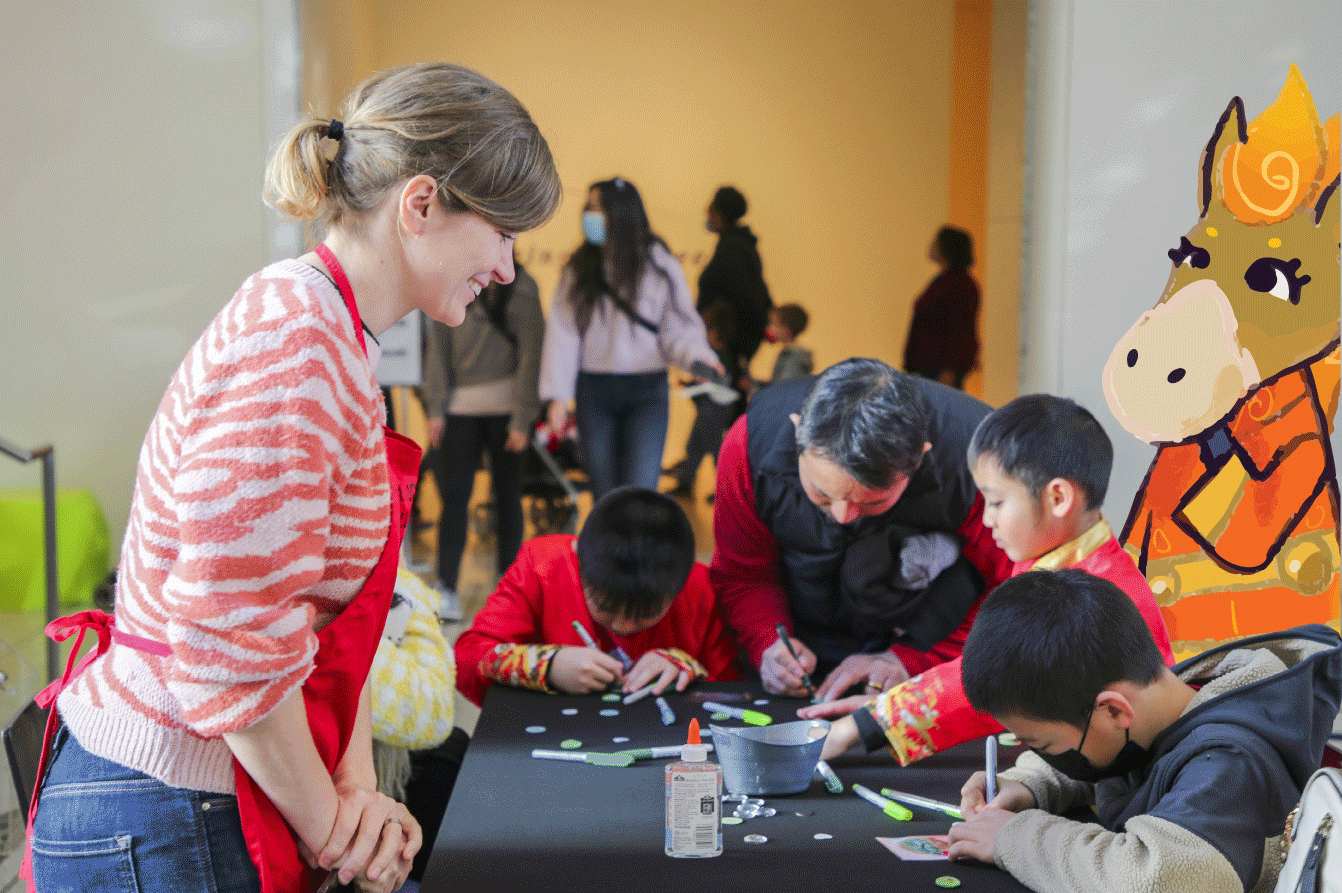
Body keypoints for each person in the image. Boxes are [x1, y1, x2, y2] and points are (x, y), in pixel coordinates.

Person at [26, 62, 560, 893]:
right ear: (420, 205)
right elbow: (228, 644)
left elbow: (314, 621)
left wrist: (354, 791)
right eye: (502, 233)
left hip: (204, 792)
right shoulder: (299, 340)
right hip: (165, 807)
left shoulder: (337, 337)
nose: (507, 268)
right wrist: (339, 832)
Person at [804, 394, 1175, 764]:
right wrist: (880, 709)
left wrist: (866, 725)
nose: (986, 520)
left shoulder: (1094, 596)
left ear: (1058, 498)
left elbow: (991, 675)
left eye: (996, 503)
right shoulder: (1057, 563)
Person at [946, 568, 1342, 893]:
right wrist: (1031, 784)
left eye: (1043, 744)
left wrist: (1015, 838)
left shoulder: (1230, 762)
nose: (1041, 753)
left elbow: (1157, 878)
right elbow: (1123, 760)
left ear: (1115, 710)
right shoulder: (1165, 703)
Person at [710, 357, 1014, 700]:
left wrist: (916, 660)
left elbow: (1016, 588)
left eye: (870, 502)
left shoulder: (979, 460)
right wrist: (767, 642)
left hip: (935, 645)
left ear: (921, 458)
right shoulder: (749, 446)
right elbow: (743, 572)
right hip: (803, 647)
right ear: (798, 432)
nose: (843, 515)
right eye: (822, 494)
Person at [454, 486, 741, 706]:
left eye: (646, 615)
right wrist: (547, 665)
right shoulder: (542, 566)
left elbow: (737, 693)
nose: (622, 627)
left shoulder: (700, 586)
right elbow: (467, 658)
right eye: (604, 607)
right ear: (578, 560)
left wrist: (687, 669)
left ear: (681, 585)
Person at [540, 177, 722, 500]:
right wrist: (557, 396)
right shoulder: (580, 267)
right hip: (594, 391)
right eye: (588, 208)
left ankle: (637, 551)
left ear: (620, 213)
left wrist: (697, 358)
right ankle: (606, 552)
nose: (589, 216)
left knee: (640, 490)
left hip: (647, 391)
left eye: (596, 208)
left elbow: (677, 328)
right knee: (604, 494)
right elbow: (564, 333)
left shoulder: (658, 261)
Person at [422, 250, 545, 622]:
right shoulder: (452, 282)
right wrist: (436, 408)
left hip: (507, 409)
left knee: (508, 496)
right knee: (454, 499)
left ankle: (510, 591)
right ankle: (447, 586)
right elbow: (438, 351)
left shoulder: (522, 286)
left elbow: (531, 356)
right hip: (459, 409)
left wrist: (523, 417)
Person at [666, 300, 742, 500]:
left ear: (713, 332)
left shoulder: (715, 357)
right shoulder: (725, 356)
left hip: (712, 412)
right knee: (695, 447)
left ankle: (727, 492)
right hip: (710, 410)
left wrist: (690, 385)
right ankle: (686, 482)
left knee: (716, 450)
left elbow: (710, 384)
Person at [698, 185, 772, 374]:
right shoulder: (738, 246)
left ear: (718, 213)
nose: (706, 211)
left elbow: (742, 299)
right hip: (726, 347)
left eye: (711, 206)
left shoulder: (733, 250)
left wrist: (723, 338)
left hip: (726, 351)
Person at [903, 225, 980, 390]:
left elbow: (960, 329)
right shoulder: (945, 280)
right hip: (931, 366)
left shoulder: (959, 284)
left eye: (936, 242)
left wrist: (950, 369)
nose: (932, 246)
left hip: (941, 370)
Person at [761, 303, 813, 386]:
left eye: (773, 324)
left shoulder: (795, 356)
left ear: (786, 330)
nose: (769, 328)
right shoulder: (787, 352)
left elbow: (782, 389)